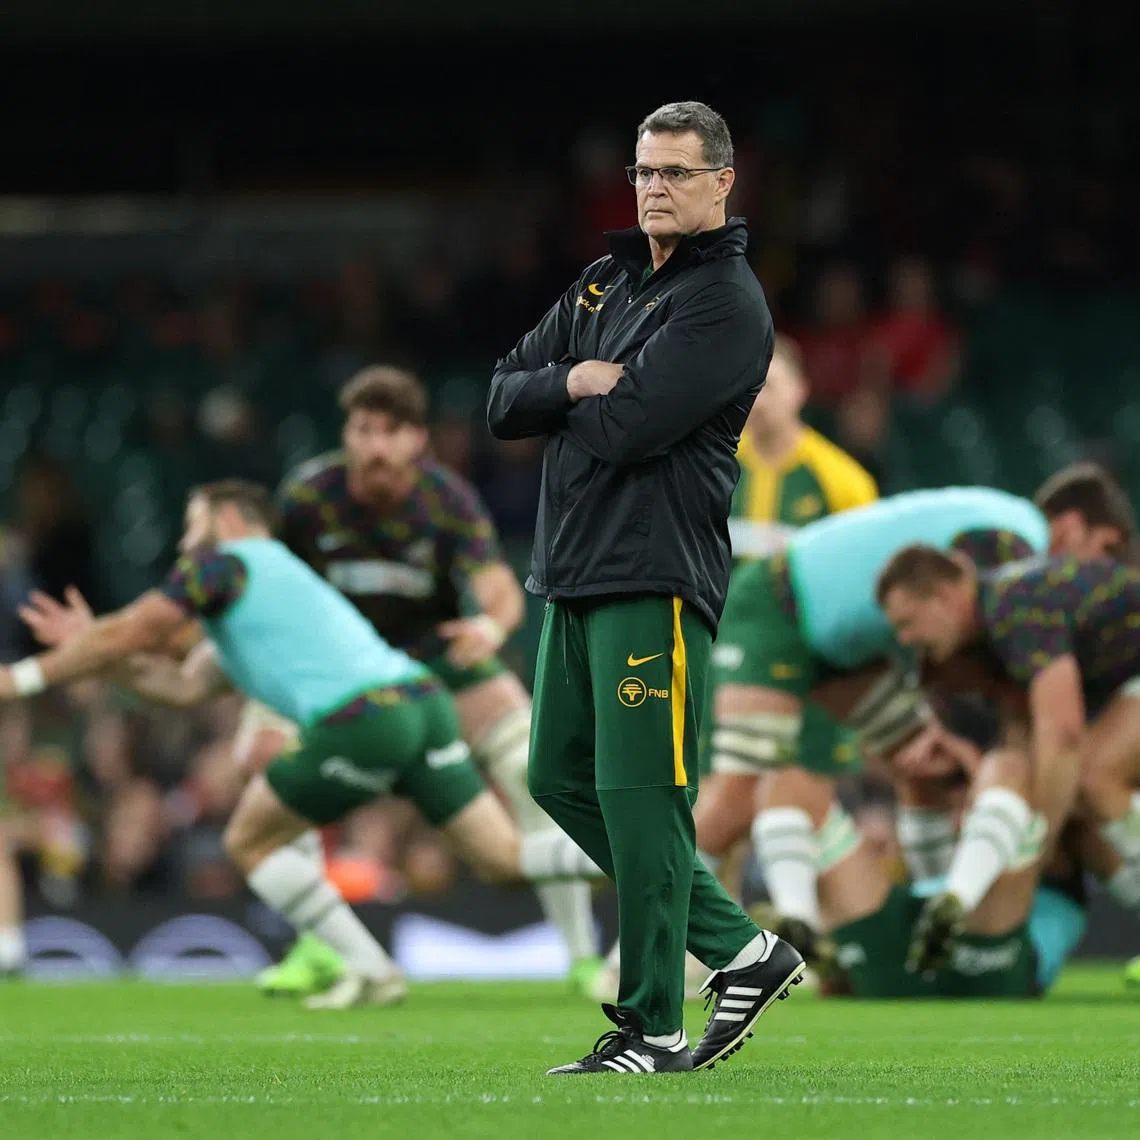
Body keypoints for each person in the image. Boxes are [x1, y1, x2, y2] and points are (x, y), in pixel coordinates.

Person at [14, 480, 603, 1009]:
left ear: (228, 520)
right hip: (423, 703)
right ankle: (638, 857)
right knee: (505, 860)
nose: (184, 544)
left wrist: (22, 677)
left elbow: (134, 630)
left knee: (249, 839)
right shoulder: (267, 593)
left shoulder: (225, 562)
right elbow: (182, 685)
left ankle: (369, 967)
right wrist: (97, 647)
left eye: (193, 525)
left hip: (366, 717)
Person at [488, 99, 804, 1077]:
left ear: (723, 182)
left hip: (654, 576)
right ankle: (744, 950)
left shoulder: (726, 304)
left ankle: (651, 1028)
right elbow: (501, 396)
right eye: (643, 172)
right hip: (571, 573)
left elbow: (630, 431)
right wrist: (575, 381)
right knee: (556, 779)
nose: (654, 189)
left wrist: (573, 391)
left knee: (642, 796)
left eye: (675, 172)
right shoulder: (606, 280)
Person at [255, 364, 600, 998]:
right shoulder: (308, 497)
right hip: (336, 674)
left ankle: (582, 958)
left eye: (389, 432)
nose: (375, 446)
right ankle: (318, 947)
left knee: (534, 768)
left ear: (416, 439)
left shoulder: (447, 500)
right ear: (347, 434)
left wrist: (490, 628)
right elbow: (267, 584)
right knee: (269, 758)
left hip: (434, 666)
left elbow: (498, 588)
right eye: (363, 430)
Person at [702, 464, 1135, 963]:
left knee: (931, 765)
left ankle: (934, 912)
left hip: (846, 648)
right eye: (1106, 550)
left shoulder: (1005, 557)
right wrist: (1038, 827)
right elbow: (992, 673)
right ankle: (649, 936)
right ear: (1071, 527)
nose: (1103, 569)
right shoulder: (1014, 553)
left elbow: (969, 657)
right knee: (740, 789)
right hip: (778, 609)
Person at [592, 335, 877, 1001]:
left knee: (775, 798)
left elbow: (861, 590)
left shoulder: (841, 481)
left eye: (773, 385)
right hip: (710, 664)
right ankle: (702, 948)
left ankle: (730, 941)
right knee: (715, 799)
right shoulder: (709, 463)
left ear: (802, 391)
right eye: (752, 386)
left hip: (808, 678)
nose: (761, 400)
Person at [875, 539, 1140, 966]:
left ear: (944, 597)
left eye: (908, 623)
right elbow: (1026, 739)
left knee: (1092, 776)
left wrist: (1036, 842)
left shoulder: (1013, 606)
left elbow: (1063, 733)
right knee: (1079, 809)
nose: (907, 639)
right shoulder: (998, 622)